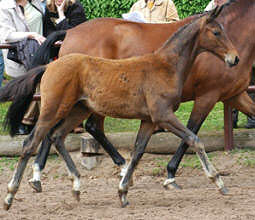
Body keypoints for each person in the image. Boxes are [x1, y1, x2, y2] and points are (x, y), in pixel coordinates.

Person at [0, 0, 46, 134]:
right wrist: (31, 35)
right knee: (27, 87)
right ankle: (24, 121)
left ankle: (29, 121)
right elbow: (6, 35)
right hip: (20, 54)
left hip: (39, 51)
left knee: (39, 84)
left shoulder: (35, 3)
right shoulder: (5, 6)